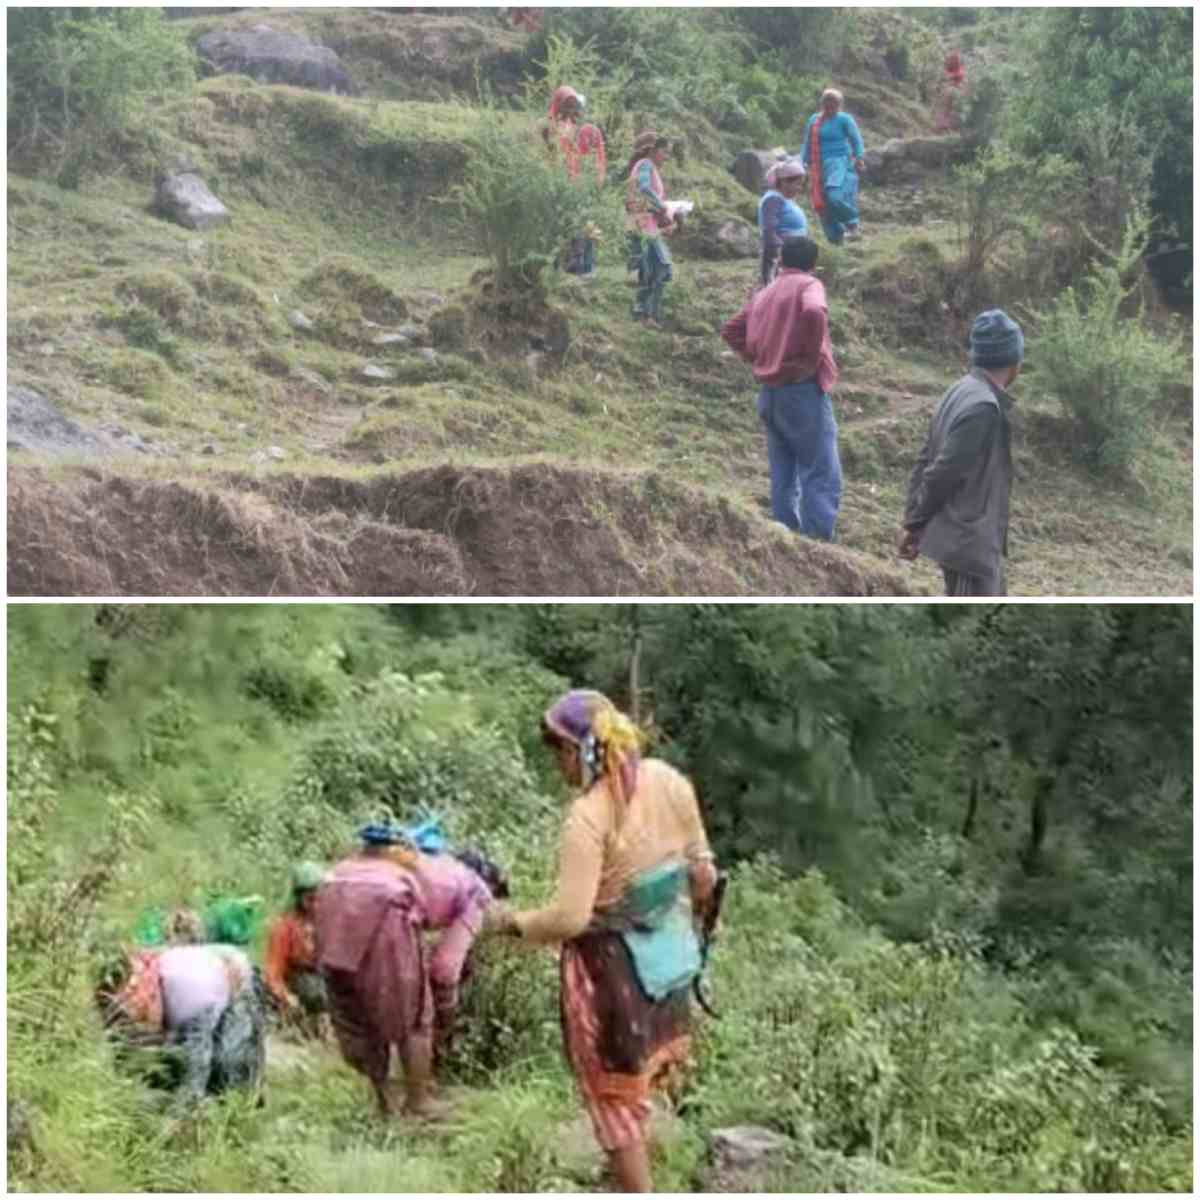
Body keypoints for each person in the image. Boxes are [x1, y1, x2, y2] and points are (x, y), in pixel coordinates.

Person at [484, 690, 718, 1194]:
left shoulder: (588, 817)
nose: (558, 765)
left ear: (580, 751)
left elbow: (570, 918)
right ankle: (634, 1173)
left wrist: (510, 923)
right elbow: (703, 873)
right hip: (671, 960)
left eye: (560, 752)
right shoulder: (669, 782)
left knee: (614, 1101)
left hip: (612, 975)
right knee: (644, 1079)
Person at [313, 824, 443, 1120]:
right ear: (392, 849)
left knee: (364, 1027)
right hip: (387, 952)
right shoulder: (398, 876)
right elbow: (426, 913)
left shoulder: (334, 874)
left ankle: (384, 1098)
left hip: (337, 960)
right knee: (414, 1022)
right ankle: (418, 1101)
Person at [720, 236, 842, 541]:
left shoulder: (766, 291)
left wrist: (755, 356)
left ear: (782, 262)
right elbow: (814, 312)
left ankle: (785, 535)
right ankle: (818, 540)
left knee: (783, 470)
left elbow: (731, 329)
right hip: (801, 391)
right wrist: (810, 359)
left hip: (770, 393)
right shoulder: (809, 285)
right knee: (820, 469)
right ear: (814, 264)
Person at [898, 309, 1021, 596]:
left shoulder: (959, 390)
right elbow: (942, 472)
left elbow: (924, 460)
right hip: (968, 548)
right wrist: (914, 524)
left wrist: (912, 520)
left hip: (971, 544)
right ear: (1015, 361)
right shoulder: (983, 408)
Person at [98, 942, 266, 1114]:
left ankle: (242, 1116)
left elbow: (196, 1066)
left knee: (229, 1065)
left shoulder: (190, 998)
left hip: (235, 977)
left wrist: (181, 1114)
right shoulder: (125, 992)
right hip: (202, 974)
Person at [383, 839, 509, 1062]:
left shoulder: (436, 867)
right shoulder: (476, 893)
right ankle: (433, 1062)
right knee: (430, 998)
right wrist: (446, 1020)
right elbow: (444, 970)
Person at [544, 85, 608, 277]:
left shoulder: (580, 129)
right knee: (560, 230)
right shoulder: (549, 127)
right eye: (567, 106)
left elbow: (588, 158)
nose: (571, 111)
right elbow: (551, 157)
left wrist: (591, 181)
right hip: (555, 185)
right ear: (558, 106)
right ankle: (559, 270)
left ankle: (580, 270)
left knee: (581, 229)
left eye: (574, 106)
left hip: (577, 186)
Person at [264, 862, 329, 1038]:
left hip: (325, 980)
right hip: (300, 986)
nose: (316, 905)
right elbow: (273, 972)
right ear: (299, 898)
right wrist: (286, 997)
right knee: (312, 987)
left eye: (319, 898)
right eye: (310, 899)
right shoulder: (284, 927)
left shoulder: (330, 922)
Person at [799, 88, 866, 245]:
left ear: (839, 105)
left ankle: (852, 221)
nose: (830, 108)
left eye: (833, 105)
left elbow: (856, 140)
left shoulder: (844, 119)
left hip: (839, 163)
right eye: (827, 104)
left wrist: (859, 157)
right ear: (822, 104)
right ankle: (835, 239)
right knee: (823, 204)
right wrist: (802, 162)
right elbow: (807, 143)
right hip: (818, 166)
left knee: (834, 195)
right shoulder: (814, 120)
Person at [625, 131, 677, 328]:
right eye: (664, 152)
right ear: (653, 151)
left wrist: (665, 215)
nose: (666, 156)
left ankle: (647, 314)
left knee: (654, 269)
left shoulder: (645, 166)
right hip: (643, 226)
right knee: (659, 267)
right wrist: (663, 207)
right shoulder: (646, 165)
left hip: (647, 224)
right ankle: (645, 314)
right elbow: (645, 189)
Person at [758, 158, 809, 288]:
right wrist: (781, 252)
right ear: (784, 182)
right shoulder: (772, 200)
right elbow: (769, 231)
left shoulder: (784, 199)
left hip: (791, 255)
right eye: (797, 184)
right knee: (776, 289)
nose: (800, 188)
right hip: (780, 258)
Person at [935, 51, 967, 133]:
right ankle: (942, 124)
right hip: (946, 94)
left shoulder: (959, 71)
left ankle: (947, 124)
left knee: (949, 96)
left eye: (952, 60)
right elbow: (943, 79)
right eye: (949, 60)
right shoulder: (946, 71)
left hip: (956, 94)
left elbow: (960, 78)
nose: (950, 62)